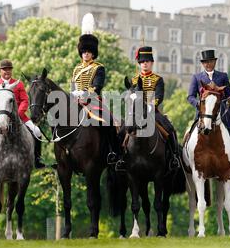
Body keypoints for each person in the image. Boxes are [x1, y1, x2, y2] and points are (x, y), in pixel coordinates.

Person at [70, 13, 122, 166]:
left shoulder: (99, 68)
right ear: (81, 52)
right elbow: (72, 86)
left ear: (93, 53)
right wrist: (74, 95)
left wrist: (85, 95)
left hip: (92, 102)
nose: (86, 53)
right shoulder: (76, 68)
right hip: (75, 101)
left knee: (110, 122)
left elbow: (97, 86)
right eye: (84, 51)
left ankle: (114, 152)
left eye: (89, 51)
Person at [0, 59, 45, 168]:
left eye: (9, 69)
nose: (7, 71)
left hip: (18, 117)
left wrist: (18, 114)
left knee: (37, 131)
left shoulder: (19, 84)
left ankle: (37, 158)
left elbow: (25, 101)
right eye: (4, 69)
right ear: (0, 71)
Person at [187, 49, 230, 167]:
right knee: (191, 132)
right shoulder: (196, 77)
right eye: (205, 62)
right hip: (204, 111)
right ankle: (188, 155)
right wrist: (199, 104)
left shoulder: (223, 76)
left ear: (214, 62)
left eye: (210, 61)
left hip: (222, 110)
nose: (207, 64)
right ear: (202, 64)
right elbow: (190, 96)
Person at [128, 46, 180, 170]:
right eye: (141, 62)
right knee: (121, 132)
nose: (144, 64)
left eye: (146, 61)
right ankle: (121, 158)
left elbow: (159, 96)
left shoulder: (158, 79)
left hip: (152, 111)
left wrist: (150, 105)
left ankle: (174, 156)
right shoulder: (134, 80)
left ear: (151, 62)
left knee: (169, 129)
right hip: (136, 112)